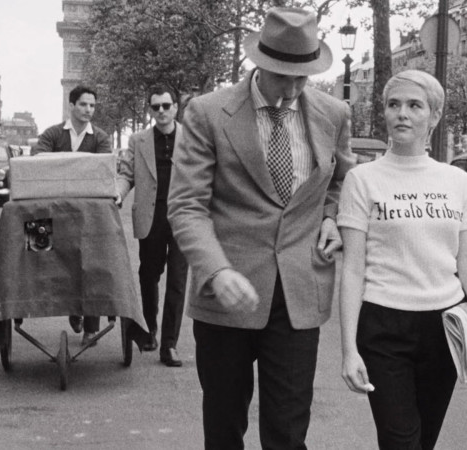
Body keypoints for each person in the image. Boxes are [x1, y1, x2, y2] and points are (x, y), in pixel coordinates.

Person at [167, 7, 355, 449]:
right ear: (259, 63)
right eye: (282, 77)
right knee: (223, 428)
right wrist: (216, 269)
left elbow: (342, 181)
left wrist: (332, 217)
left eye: (301, 78)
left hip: (299, 294)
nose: (292, 90)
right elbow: (186, 205)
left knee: (288, 435)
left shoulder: (334, 113)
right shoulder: (207, 113)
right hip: (226, 294)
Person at [337, 70, 467, 450]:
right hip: (383, 326)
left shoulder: (455, 181)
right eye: (393, 104)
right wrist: (348, 350)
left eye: (415, 105)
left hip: (443, 329)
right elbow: (352, 268)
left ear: (434, 115)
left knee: (423, 441)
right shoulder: (362, 180)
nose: (402, 113)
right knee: (401, 442)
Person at [32, 85, 113, 346]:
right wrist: (80, 168)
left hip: (88, 216)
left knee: (93, 267)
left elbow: (102, 171)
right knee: (44, 258)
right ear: (71, 106)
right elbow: (37, 162)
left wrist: (61, 166)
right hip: (54, 214)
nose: (89, 110)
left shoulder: (101, 137)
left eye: (92, 105)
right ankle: (71, 308)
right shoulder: (52, 133)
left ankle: (91, 328)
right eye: (83, 104)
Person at [116, 86, 188, 367]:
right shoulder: (138, 140)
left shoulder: (192, 138)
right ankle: (150, 330)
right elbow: (126, 174)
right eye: (156, 107)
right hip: (151, 217)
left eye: (166, 106)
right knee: (148, 276)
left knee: (178, 280)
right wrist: (118, 194)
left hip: (183, 217)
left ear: (175, 108)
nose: (161, 111)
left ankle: (169, 344)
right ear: (150, 110)